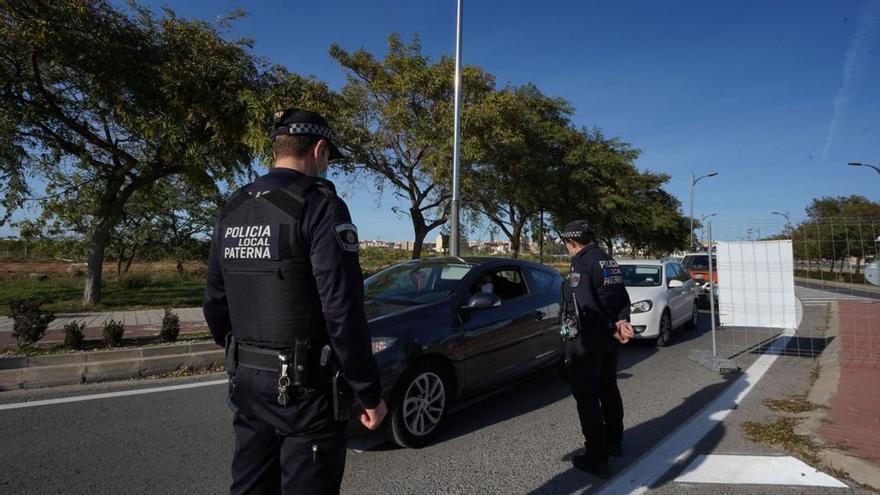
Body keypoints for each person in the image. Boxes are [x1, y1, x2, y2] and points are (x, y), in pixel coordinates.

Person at [202, 108, 387, 495]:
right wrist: (368, 391)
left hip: (248, 383)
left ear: (277, 148)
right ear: (319, 150)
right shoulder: (321, 207)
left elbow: (214, 303)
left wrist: (245, 353)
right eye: (328, 158)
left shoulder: (233, 209)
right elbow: (342, 310)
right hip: (305, 391)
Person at [559, 220, 635, 479]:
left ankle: (596, 457)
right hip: (608, 340)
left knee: (587, 397)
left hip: (588, 339)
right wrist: (622, 322)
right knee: (608, 389)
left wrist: (613, 328)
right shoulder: (608, 260)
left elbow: (587, 306)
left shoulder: (581, 262)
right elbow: (624, 299)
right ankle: (614, 443)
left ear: (571, 242)